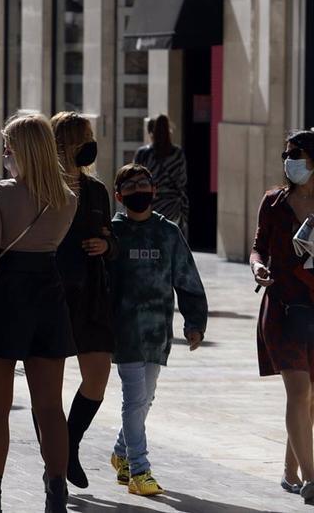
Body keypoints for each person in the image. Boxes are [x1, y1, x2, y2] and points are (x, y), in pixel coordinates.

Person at [0, 113, 78, 513]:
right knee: (50, 407)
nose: (4, 155)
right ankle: (56, 495)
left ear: (19, 151)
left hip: (5, 298)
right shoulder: (67, 199)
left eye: (8, 148)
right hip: (48, 296)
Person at [106, 163, 207, 496]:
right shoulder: (112, 234)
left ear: (155, 191)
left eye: (144, 184)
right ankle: (139, 469)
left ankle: (121, 452)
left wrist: (194, 322)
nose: (138, 191)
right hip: (125, 331)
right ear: (119, 196)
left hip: (158, 332)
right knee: (134, 400)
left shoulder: (168, 232)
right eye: (130, 186)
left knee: (146, 399)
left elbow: (188, 280)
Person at [50, 112, 117, 490]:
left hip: (91, 293)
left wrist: (107, 245)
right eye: (86, 136)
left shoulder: (96, 191)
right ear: (68, 142)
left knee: (98, 376)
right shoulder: (44, 187)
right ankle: (56, 466)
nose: (92, 142)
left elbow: (112, 236)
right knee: (49, 387)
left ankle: (69, 444)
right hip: (53, 292)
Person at [252, 130, 314, 504]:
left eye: (297, 154)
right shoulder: (273, 202)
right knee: (298, 389)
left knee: (310, 398)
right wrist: (257, 268)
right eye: (286, 154)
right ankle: (311, 479)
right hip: (283, 308)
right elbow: (258, 247)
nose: (289, 160)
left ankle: (291, 470)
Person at [133, 114, 189, 237]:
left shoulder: (143, 154)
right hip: (172, 206)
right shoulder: (177, 154)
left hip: (149, 204)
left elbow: (133, 179)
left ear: (151, 132)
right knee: (170, 240)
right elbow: (182, 181)